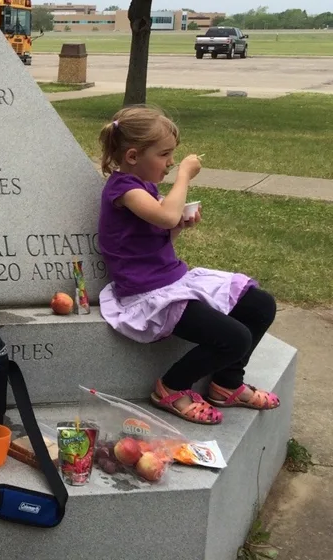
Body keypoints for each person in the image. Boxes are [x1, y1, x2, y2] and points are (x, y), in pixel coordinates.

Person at [97, 106, 280, 425]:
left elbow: (160, 233)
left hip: (174, 281)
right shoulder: (124, 190)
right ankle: (171, 386)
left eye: (173, 156)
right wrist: (184, 175)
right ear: (132, 156)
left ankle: (227, 384)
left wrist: (178, 227)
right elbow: (165, 214)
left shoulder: (145, 188)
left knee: (261, 305)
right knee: (235, 337)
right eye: (165, 154)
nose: (170, 162)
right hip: (148, 295)